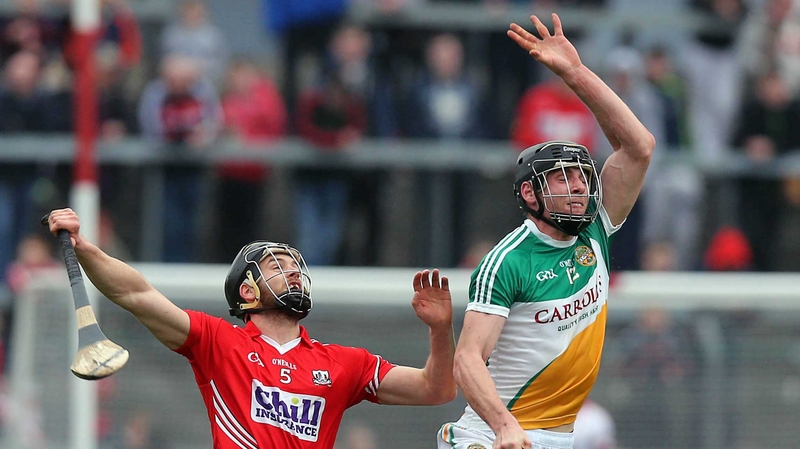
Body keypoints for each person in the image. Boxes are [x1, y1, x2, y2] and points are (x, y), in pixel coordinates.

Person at [45, 208, 457, 448]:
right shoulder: (217, 342)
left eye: (296, 266)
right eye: (278, 266)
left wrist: (440, 330)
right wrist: (85, 248)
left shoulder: (345, 363)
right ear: (247, 290)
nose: (294, 272)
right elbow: (135, 294)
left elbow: (436, 389)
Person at [437, 13, 655, 449]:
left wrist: (575, 74)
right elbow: (466, 360)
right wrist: (504, 426)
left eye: (580, 176)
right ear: (530, 195)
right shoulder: (507, 260)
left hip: (558, 437)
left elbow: (639, 147)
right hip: (491, 436)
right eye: (561, 179)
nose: (577, 187)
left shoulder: (596, 230)